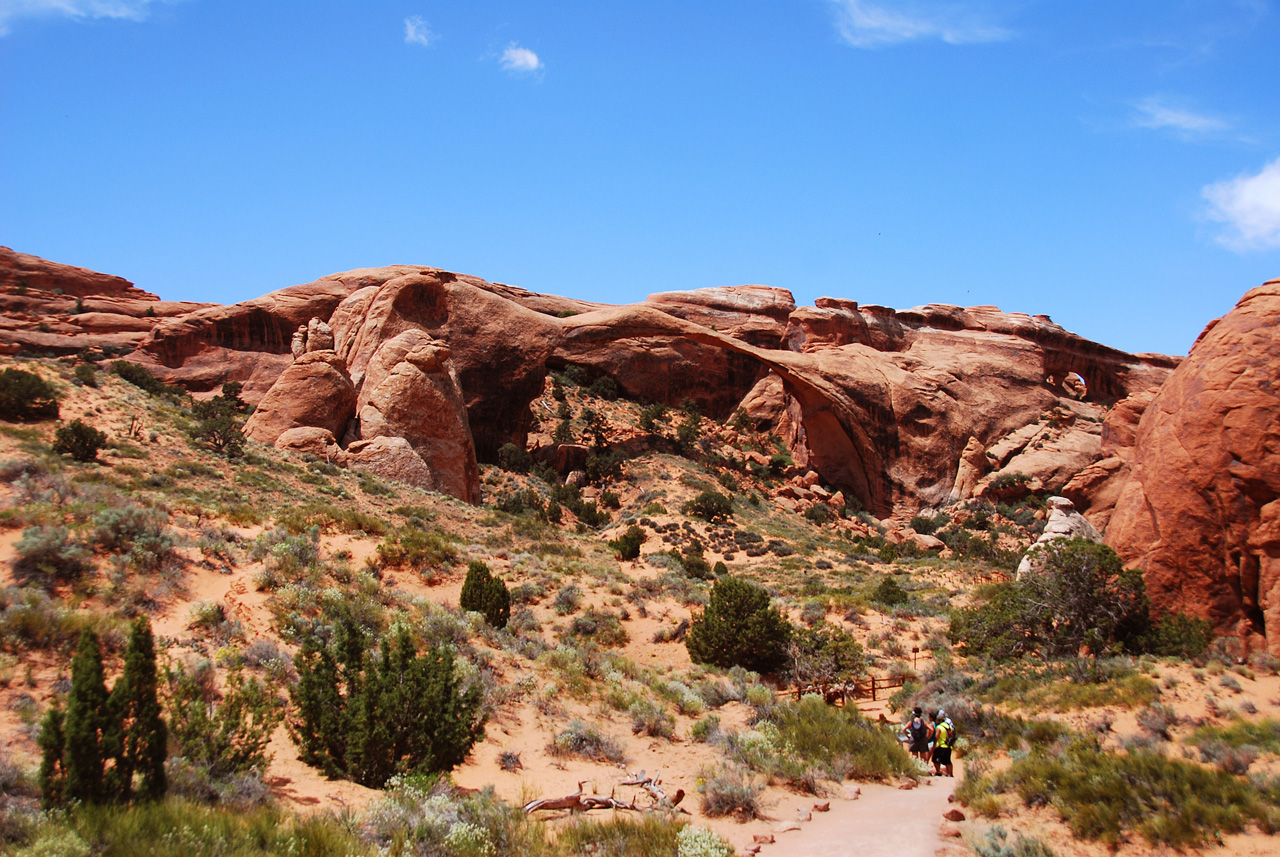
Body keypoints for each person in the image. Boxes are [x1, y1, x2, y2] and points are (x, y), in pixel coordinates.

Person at [931, 710, 954, 777]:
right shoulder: (949, 727)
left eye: (938, 720)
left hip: (941, 746)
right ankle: (950, 774)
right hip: (949, 746)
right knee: (947, 761)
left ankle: (938, 772)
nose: (936, 721)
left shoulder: (939, 727)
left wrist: (934, 746)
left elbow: (936, 737)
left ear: (940, 720)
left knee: (935, 759)